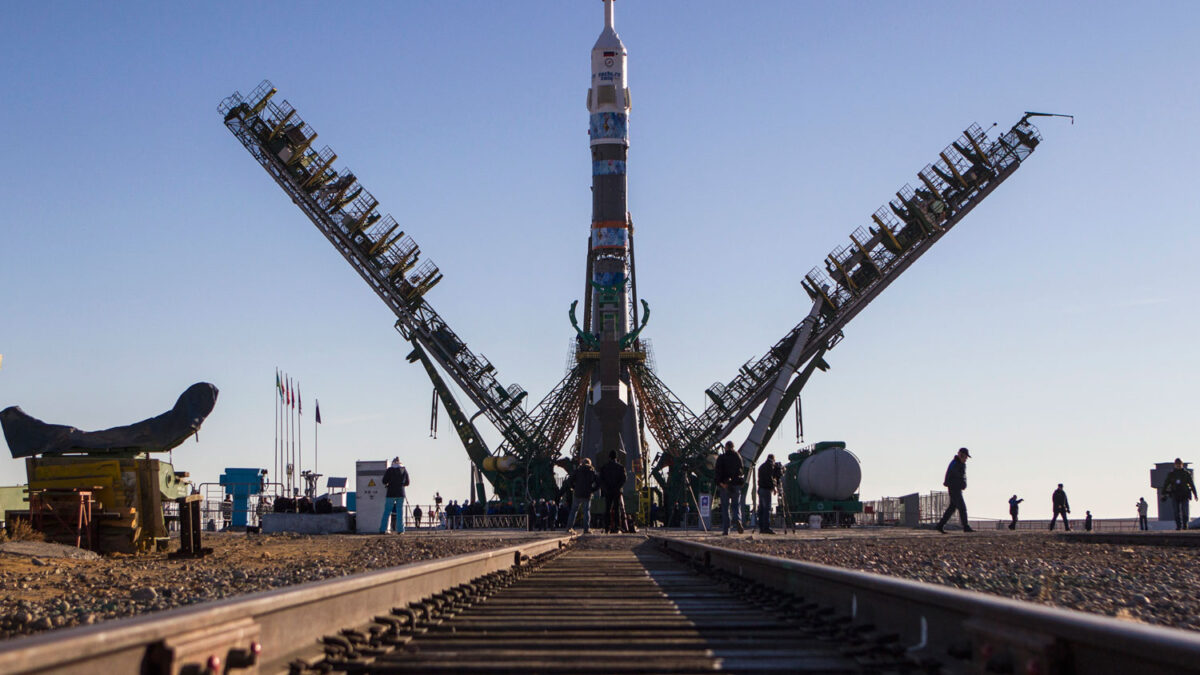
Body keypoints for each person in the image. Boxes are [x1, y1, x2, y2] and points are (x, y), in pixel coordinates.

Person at [936, 447, 974, 533]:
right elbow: (951, 476)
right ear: (961, 455)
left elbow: (961, 477)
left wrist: (963, 484)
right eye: (965, 457)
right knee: (962, 507)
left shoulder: (959, 464)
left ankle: (940, 525)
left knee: (952, 508)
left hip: (956, 488)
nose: (966, 459)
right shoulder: (955, 464)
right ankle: (966, 526)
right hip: (954, 489)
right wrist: (957, 485)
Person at [714, 441, 745, 535]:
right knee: (736, 505)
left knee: (725, 507)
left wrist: (720, 483)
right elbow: (741, 470)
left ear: (726, 447)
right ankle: (737, 520)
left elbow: (718, 471)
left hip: (725, 485)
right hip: (736, 484)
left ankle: (726, 530)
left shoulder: (721, 457)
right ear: (733, 447)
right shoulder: (738, 456)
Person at [1159, 458, 1197, 530]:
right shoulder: (1171, 474)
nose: (1178, 466)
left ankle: (1185, 525)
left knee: (1184, 511)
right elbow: (1166, 484)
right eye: (1177, 464)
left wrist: (1195, 494)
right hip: (1175, 495)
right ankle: (1178, 526)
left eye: (1179, 464)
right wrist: (1163, 493)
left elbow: (1191, 484)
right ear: (1175, 465)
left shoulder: (1186, 473)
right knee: (1176, 512)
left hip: (1184, 495)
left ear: (1182, 464)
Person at [565, 458, 599, 534]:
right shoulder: (591, 471)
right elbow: (598, 482)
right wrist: (592, 490)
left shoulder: (577, 471)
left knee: (573, 511)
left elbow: (569, 480)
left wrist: (574, 488)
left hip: (577, 494)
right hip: (587, 494)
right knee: (586, 511)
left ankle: (569, 528)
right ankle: (586, 529)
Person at [599, 451, 628, 533]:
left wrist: (605, 488)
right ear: (616, 457)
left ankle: (607, 527)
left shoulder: (604, 467)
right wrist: (618, 487)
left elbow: (601, 480)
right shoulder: (621, 467)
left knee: (607, 509)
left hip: (607, 492)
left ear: (609, 457)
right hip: (616, 492)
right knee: (616, 509)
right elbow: (624, 479)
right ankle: (616, 527)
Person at [379, 457, 410, 534]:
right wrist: (402, 485)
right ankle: (400, 530)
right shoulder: (404, 470)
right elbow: (407, 482)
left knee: (387, 511)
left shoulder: (390, 470)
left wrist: (389, 483)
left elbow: (384, 481)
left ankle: (383, 529)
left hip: (391, 493)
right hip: (400, 493)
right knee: (400, 512)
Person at [757, 454, 781, 534]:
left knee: (761, 509)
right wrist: (774, 487)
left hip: (760, 489)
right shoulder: (770, 467)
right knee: (767, 509)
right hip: (766, 490)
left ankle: (761, 527)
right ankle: (766, 527)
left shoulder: (761, 466)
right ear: (773, 459)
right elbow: (770, 478)